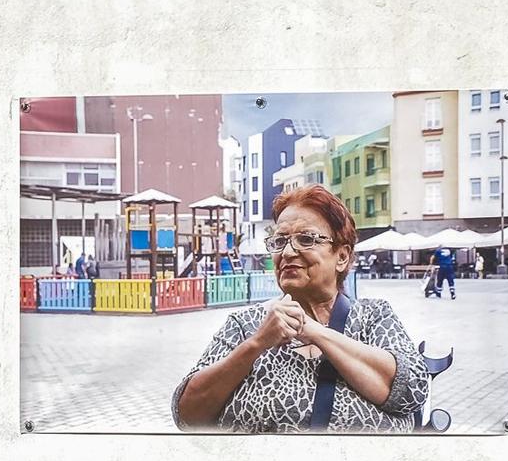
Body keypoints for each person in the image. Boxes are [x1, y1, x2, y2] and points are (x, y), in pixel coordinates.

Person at [173, 185, 427, 433]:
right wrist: (257, 343)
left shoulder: (373, 317)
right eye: (279, 240)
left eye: (306, 239)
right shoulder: (244, 325)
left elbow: (411, 391)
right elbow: (187, 416)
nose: (288, 251)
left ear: (342, 257)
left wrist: (314, 331)